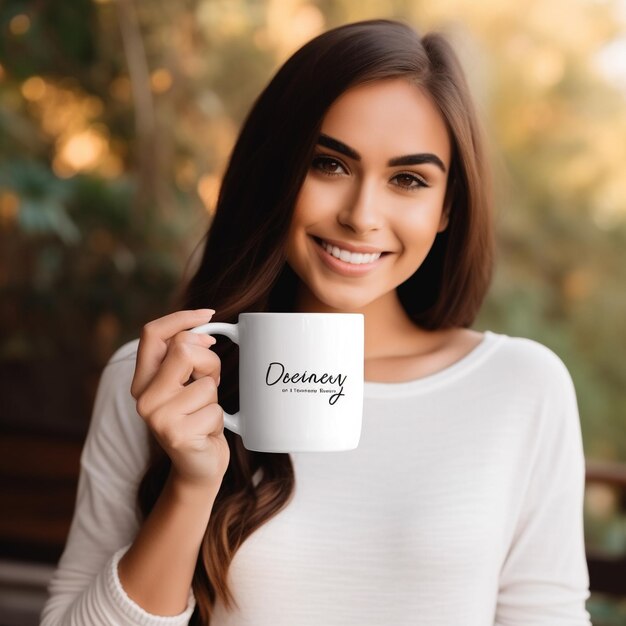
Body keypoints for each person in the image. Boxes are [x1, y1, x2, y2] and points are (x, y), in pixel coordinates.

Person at [40, 18, 591, 626]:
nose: (362, 215)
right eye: (329, 164)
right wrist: (192, 486)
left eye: (408, 179)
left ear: (446, 207)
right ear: (276, 172)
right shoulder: (161, 382)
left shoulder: (521, 386)